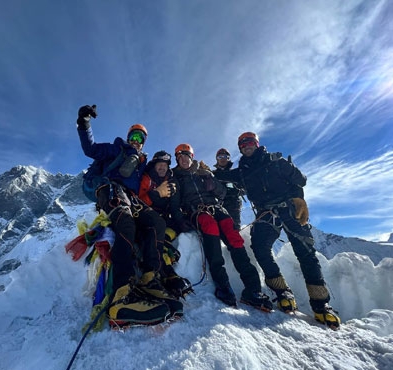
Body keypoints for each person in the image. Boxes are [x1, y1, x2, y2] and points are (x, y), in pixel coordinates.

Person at [76, 104, 182, 328]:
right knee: (125, 224)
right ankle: (120, 298)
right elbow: (91, 148)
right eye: (133, 135)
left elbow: (154, 175)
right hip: (112, 191)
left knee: (156, 222)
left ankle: (149, 278)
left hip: (133, 199)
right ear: (128, 137)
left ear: (144, 142)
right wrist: (84, 123)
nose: (136, 140)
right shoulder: (117, 150)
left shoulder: (142, 164)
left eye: (140, 137)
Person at [233, 131, 340, 329]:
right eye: (243, 144)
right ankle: (282, 292)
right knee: (260, 247)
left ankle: (321, 304)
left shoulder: (276, 161)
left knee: (306, 252)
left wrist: (298, 199)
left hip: (289, 209)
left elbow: (300, 179)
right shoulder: (242, 171)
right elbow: (223, 176)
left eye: (250, 143)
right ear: (240, 148)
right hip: (266, 213)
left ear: (257, 144)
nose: (247, 146)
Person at [169, 143, 272, 310]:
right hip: (197, 211)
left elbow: (222, 193)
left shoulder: (204, 172)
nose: (183, 159)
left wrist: (211, 181)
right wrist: (181, 219)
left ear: (191, 157)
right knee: (210, 228)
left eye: (186, 156)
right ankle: (223, 285)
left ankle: (253, 290)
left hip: (216, 208)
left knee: (234, 237)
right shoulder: (176, 177)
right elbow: (175, 203)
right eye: (180, 157)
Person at [139, 150, 193, 297]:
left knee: (171, 228)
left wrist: (181, 222)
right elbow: (138, 201)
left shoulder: (172, 181)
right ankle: (159, 274)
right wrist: (156, 194)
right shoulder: (146, 178)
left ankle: (168, 274)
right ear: (154, 166)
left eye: (165, 164)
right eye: (159, 164)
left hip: (163, 219)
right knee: (155, 233)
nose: (162, 167)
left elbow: (175, 209)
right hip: (145, 216)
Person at [212, 148, 244, 230]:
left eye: (225, 156)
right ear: (217, 159)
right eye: (220, 157)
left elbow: (245, 186)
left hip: (233, 204)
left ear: (228, 158)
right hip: (216, 204)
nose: (222, 159)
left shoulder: (235, 174)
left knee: (234, 228)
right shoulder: (212, 174)